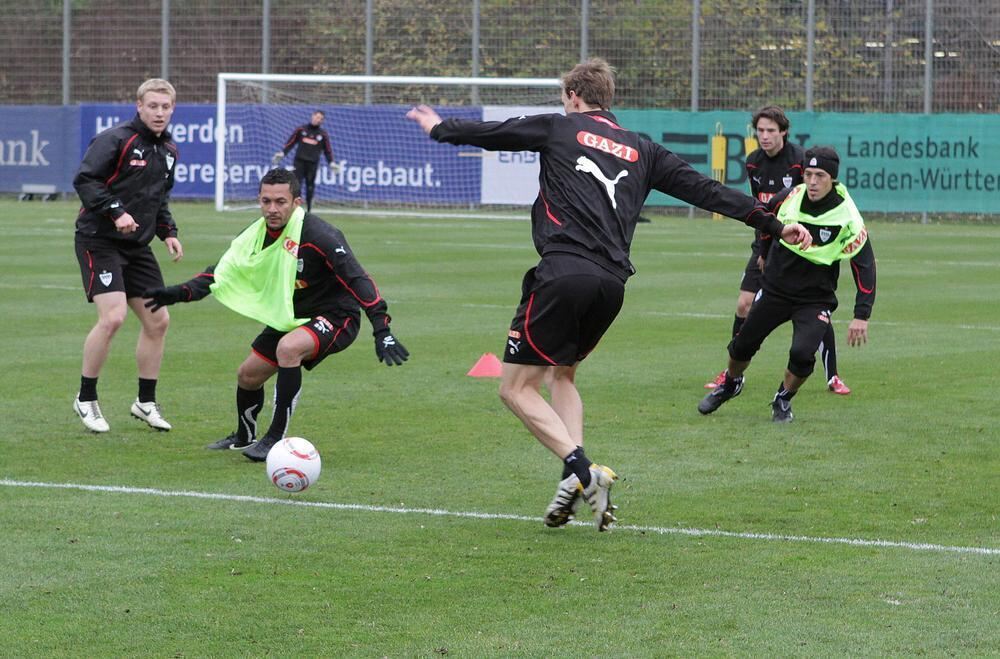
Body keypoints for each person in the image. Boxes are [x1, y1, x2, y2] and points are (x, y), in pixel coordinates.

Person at [406, 58, 812, 531]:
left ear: (574, 96)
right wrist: (776, 224)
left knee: (515, 388)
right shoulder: (643, 148)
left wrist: (440, 128)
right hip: (611, 286)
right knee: (563, 376)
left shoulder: (561, 128)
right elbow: (707, 191)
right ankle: (570, 478)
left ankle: (584, 471)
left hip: (562, 274)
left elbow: (496, 133)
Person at [142, 168, 409, 462]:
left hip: (336, 316)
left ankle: (274, 438)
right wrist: (178, 293)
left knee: (289, 348)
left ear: (296, 202)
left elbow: (358, 278)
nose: (272, 209)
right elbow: (220, 274)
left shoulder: (320, 235)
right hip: (290, 315)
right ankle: (244, 436)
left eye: (280, 202)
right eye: (266, 201)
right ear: (258, 200)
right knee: (247, 375)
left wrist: (381, 328)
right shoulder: (254, 236)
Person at [698, 146, 876, 423]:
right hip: (775, 290)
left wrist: (861, 315)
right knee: (742, 345)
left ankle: (782, 399)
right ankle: (732, 383)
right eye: (808, 174)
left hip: (815, 298)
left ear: (833, 179)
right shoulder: (789, 197)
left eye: (820, 175)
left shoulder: (848, 217)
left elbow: (864, 264)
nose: (813, 182)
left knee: (802, 354)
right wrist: (763, 255)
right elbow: (764, 220)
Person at [705, 105, 850, 395]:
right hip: (768, 240)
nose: (765, 136)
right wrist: (762, 249)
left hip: (799, 248)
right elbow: (761, 209)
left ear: (783, 131)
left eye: (771, 130)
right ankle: (732, 374)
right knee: (745, 304)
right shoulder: (753, 162)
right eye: (760, 130)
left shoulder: (800, 162)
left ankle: (832, 375)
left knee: (815, 309)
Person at [72, 78, 184, 434]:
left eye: (165, 107)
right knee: (114, 317)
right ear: (139, 106)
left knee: (158, 321)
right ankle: (85, 398)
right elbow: (86, 180)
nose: (159, 113)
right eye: (153, 106)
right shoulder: (116, 139)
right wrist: (115, 211)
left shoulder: (169, 151)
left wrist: (169, 233)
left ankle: (144, 402)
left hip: (137, 246)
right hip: (98, 239)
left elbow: (158, 199)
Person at [272, 110, 338, 212]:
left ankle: (309, 210)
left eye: (321, 119)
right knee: (296, 185)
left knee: (310, 186)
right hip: (299, 162)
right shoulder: (301, 129)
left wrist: (331, 162)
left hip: (312, 163)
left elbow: (328, 150)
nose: (318, 120)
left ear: (322, 121)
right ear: (312, 116)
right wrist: (283, 153)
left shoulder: (323, 134)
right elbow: (291, 142)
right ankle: (295, 208)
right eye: (317, 117)